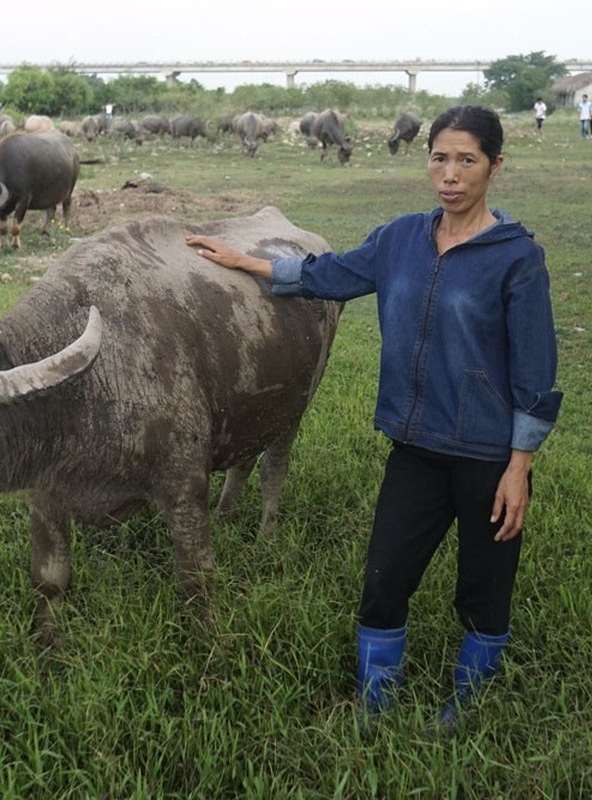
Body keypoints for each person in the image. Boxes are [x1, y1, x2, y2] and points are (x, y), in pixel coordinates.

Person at [185, 105, 563, 729]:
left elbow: (535, 370)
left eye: (466, 159)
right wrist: (246, 262)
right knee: (384, 582)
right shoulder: (400, 239)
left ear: (495, 166)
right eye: (439, 157)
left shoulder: (516, 258)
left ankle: (468, 705)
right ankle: (374, 702)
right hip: (415, 449)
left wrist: (519, 466)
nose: (450, 174)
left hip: (488, 457)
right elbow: (328, 275)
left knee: (483, 592)